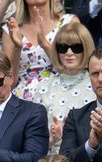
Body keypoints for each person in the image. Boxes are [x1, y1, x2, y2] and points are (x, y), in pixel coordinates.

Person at [32, 22, 96, 154]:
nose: (69, 53)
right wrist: (51, 140)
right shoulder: (43, 86)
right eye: (63, 48)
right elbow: (33, 137)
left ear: (87, 48)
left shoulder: (98, 84)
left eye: (76, 47)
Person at [2, 0, 77, 101]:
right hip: (24, 101)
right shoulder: (11, 28)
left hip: (60, 98)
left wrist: (44, 44)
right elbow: (10, 82)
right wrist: (17, 47)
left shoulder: (69, 23)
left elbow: (74, 70)